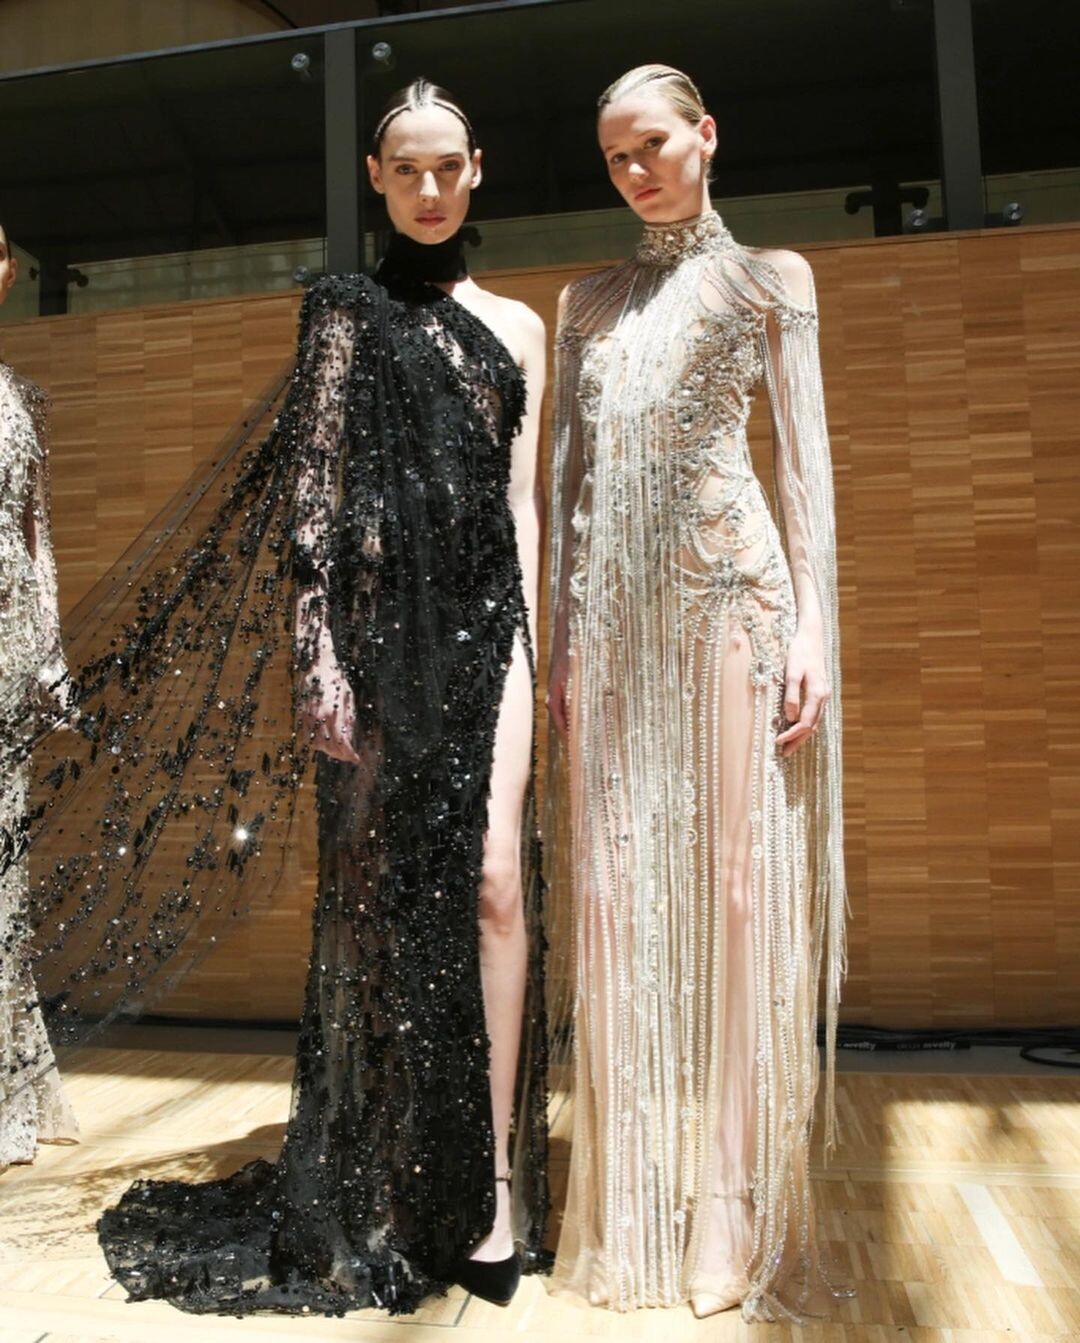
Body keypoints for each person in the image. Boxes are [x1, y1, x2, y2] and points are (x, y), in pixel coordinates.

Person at [1, 79, 548, 1314]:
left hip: (489, 632)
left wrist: (536, 646)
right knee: (374, 896)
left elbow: (522, 506)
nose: (427, 189)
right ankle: (385, 1166)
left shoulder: (520, 327)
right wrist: (318, 654)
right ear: (376, 178)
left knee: (495, 884)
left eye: (446, 168)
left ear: (476, 170)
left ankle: (494, 1182)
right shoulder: (344, 309)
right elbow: (315, 493)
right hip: (375, 635)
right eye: (405, 170)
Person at [546, 64, 849, 1321]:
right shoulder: (586, 302)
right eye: (616, 155)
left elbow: (804, 466)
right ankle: (627, 1179)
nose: (636, 170)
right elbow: (567, 484)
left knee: (735, 886)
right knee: (614, 891)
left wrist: (816, 626)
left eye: (654, 144)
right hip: (612, 621)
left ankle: (726, 1190)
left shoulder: (773, 278)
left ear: (707, 136)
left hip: (732, 600)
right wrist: (562, 636)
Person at [0, 220, 79, 1170]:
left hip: (6, 654)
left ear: (10, 272)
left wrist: (49, 654)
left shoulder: (21, 399)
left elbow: (36, 533)